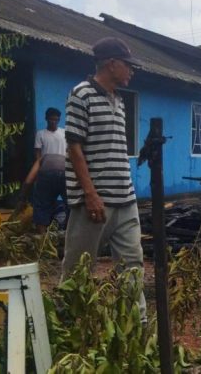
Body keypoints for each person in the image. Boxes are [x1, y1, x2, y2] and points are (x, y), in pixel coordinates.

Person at [63, 37, 146, 319]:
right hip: (95, 202)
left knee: (133, 264)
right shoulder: (81, 94)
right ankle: (67, 325)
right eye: (128, 65)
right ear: (112, 65)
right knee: (78, 268)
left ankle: (138, 325)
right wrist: (90, 194)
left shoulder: (120, 101)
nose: (132, 71)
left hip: (125, 198)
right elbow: (74, 147)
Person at [22, 107, 67, 232]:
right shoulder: (41, 134)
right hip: (45, 171)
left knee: (68, 205)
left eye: (56, 120)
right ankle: (42, 237)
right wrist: (38, 173)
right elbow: (38, 155)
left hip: (62, 170)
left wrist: (23, 196)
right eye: (51, 120)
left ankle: (66, 233)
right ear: (46, 119)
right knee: (44, 204)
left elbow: (70, 152)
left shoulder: (64, 133)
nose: (54, 122)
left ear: (59, 120)